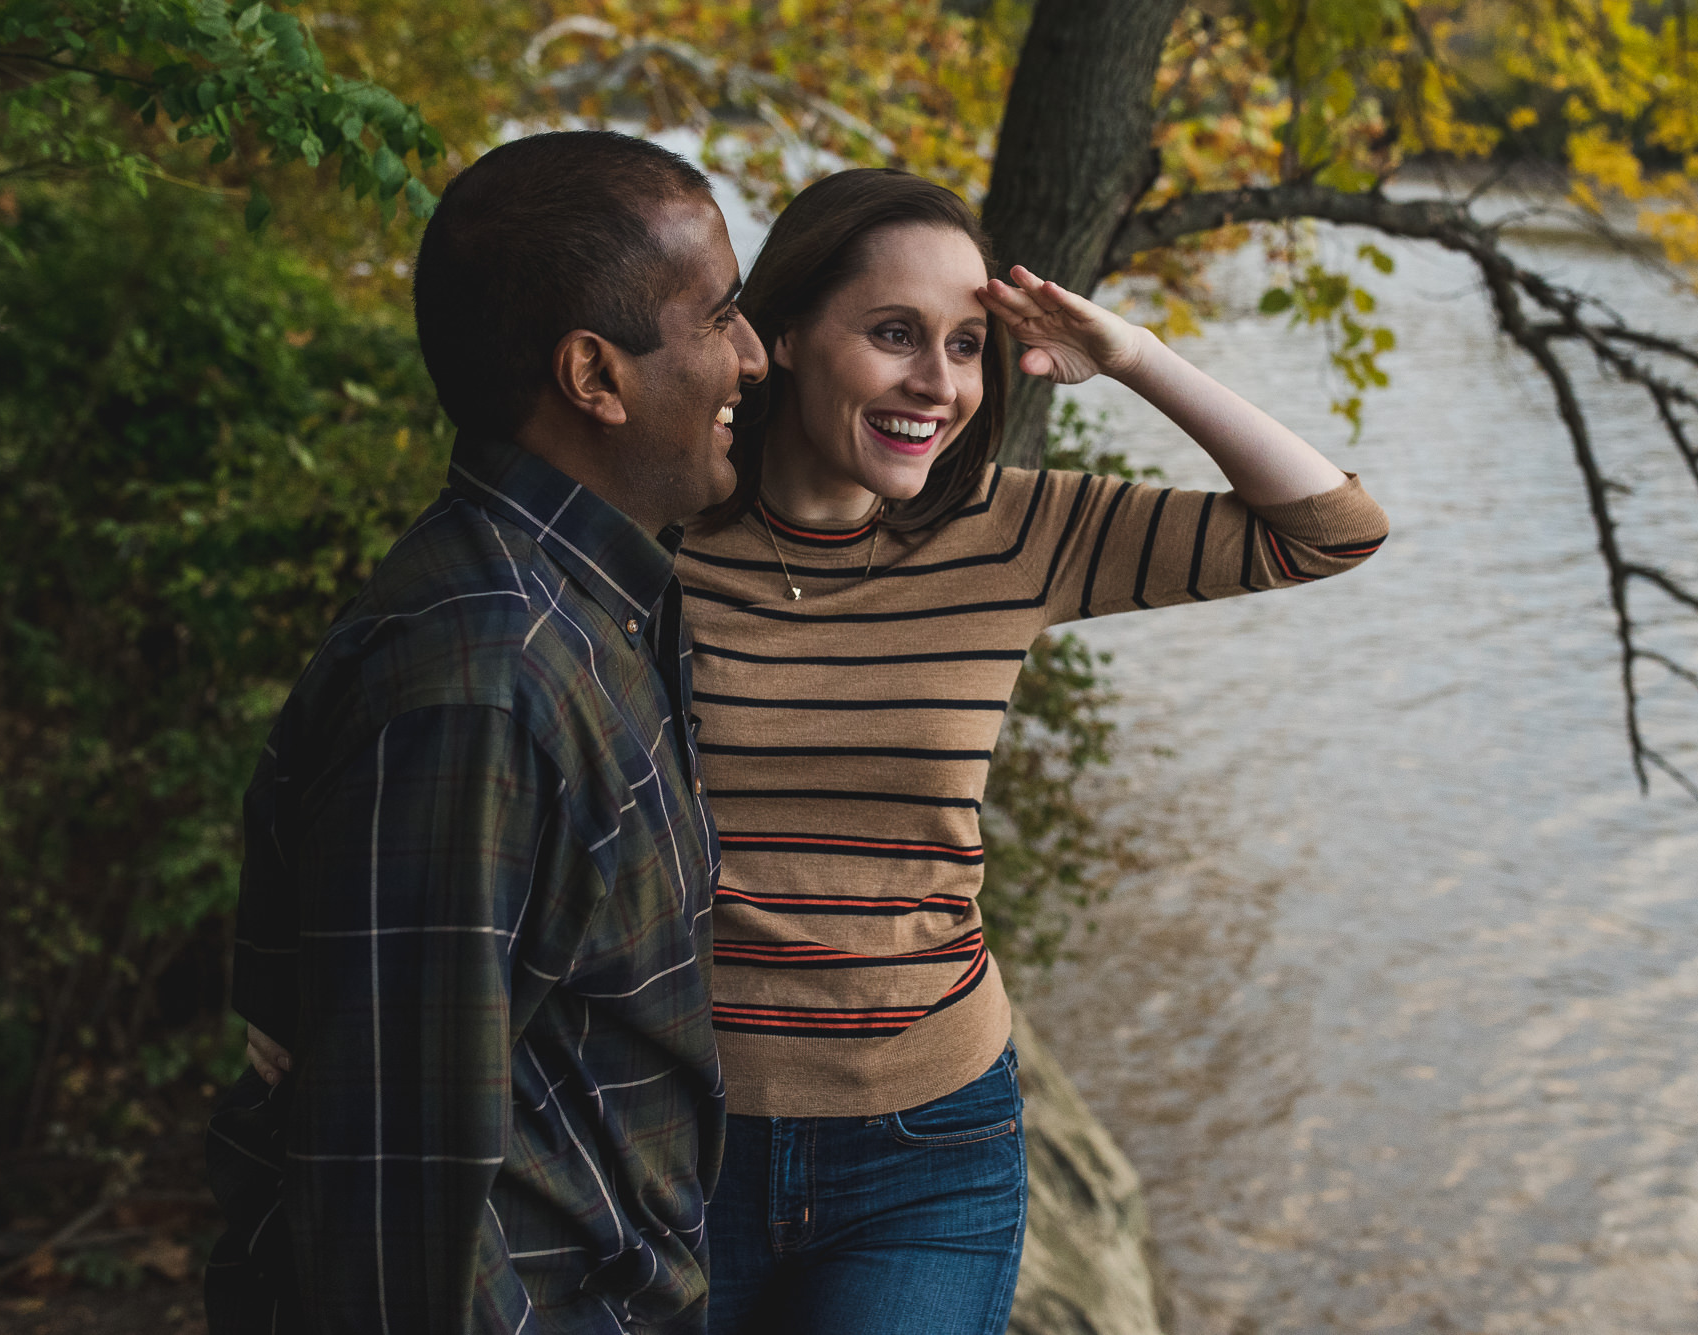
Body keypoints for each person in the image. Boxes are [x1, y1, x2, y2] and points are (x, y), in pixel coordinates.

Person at [678, 168, 1390, 1334]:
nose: (938, 385)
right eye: (895, 335)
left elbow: (1328, 530)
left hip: (925, 1152)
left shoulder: (1012, 533)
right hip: (679, 1140)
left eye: (967, 346)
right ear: (789, 337)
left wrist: (1134, 356)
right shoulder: (657, 537)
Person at [205, 129, 768, 1333]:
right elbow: (393, 1210)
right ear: (594, 376)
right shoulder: (481, 686)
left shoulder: (589, 605)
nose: (752, 357)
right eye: (720, 317)